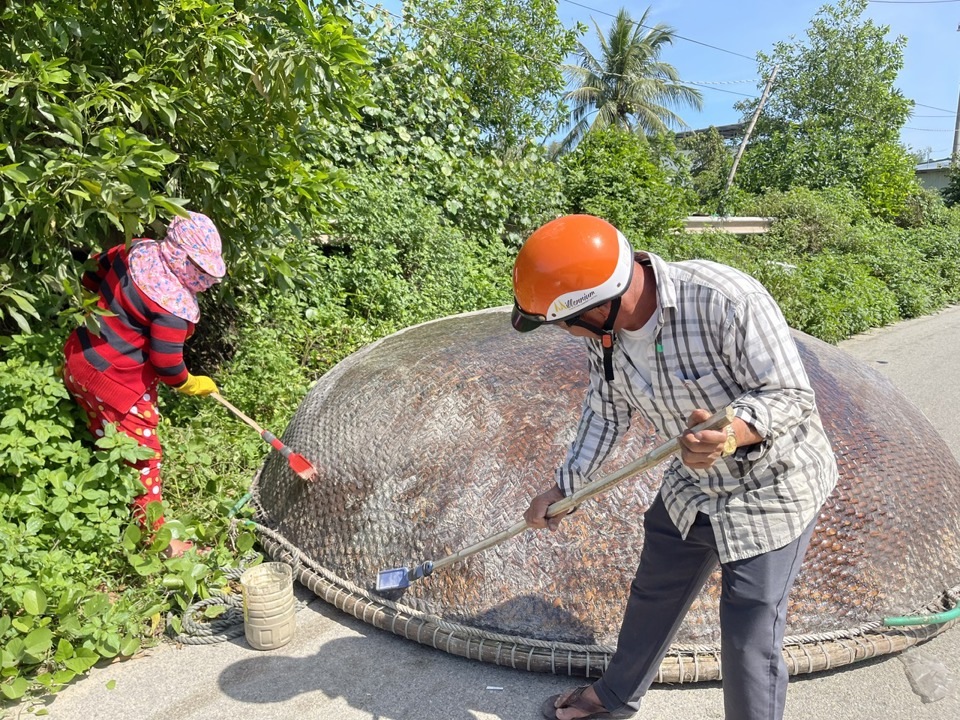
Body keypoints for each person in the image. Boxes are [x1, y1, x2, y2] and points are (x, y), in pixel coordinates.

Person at [512, 215, 838, 720]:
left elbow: (790, 393)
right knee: (654, 589)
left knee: (750, 628)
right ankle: (614, 698)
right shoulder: (604, 338)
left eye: (561, 321)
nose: (560, 332)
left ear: (600, 305)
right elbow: (606, 410)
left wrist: (730, 434)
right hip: (693, 482)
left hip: (772, 481)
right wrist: (564, 490)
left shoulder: (724, 299)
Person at [62, 212, 226, 558]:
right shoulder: (170, 309)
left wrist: (94, 302)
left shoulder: (133, 251)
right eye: (201, 268)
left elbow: (91, 270)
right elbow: (167, 365)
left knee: (105, 437)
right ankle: (156, 540)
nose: (206, 278)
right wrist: (191, 384)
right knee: (145, 456)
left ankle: (110, 497)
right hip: (118, 383)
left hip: (80, 360)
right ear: (184, 258)